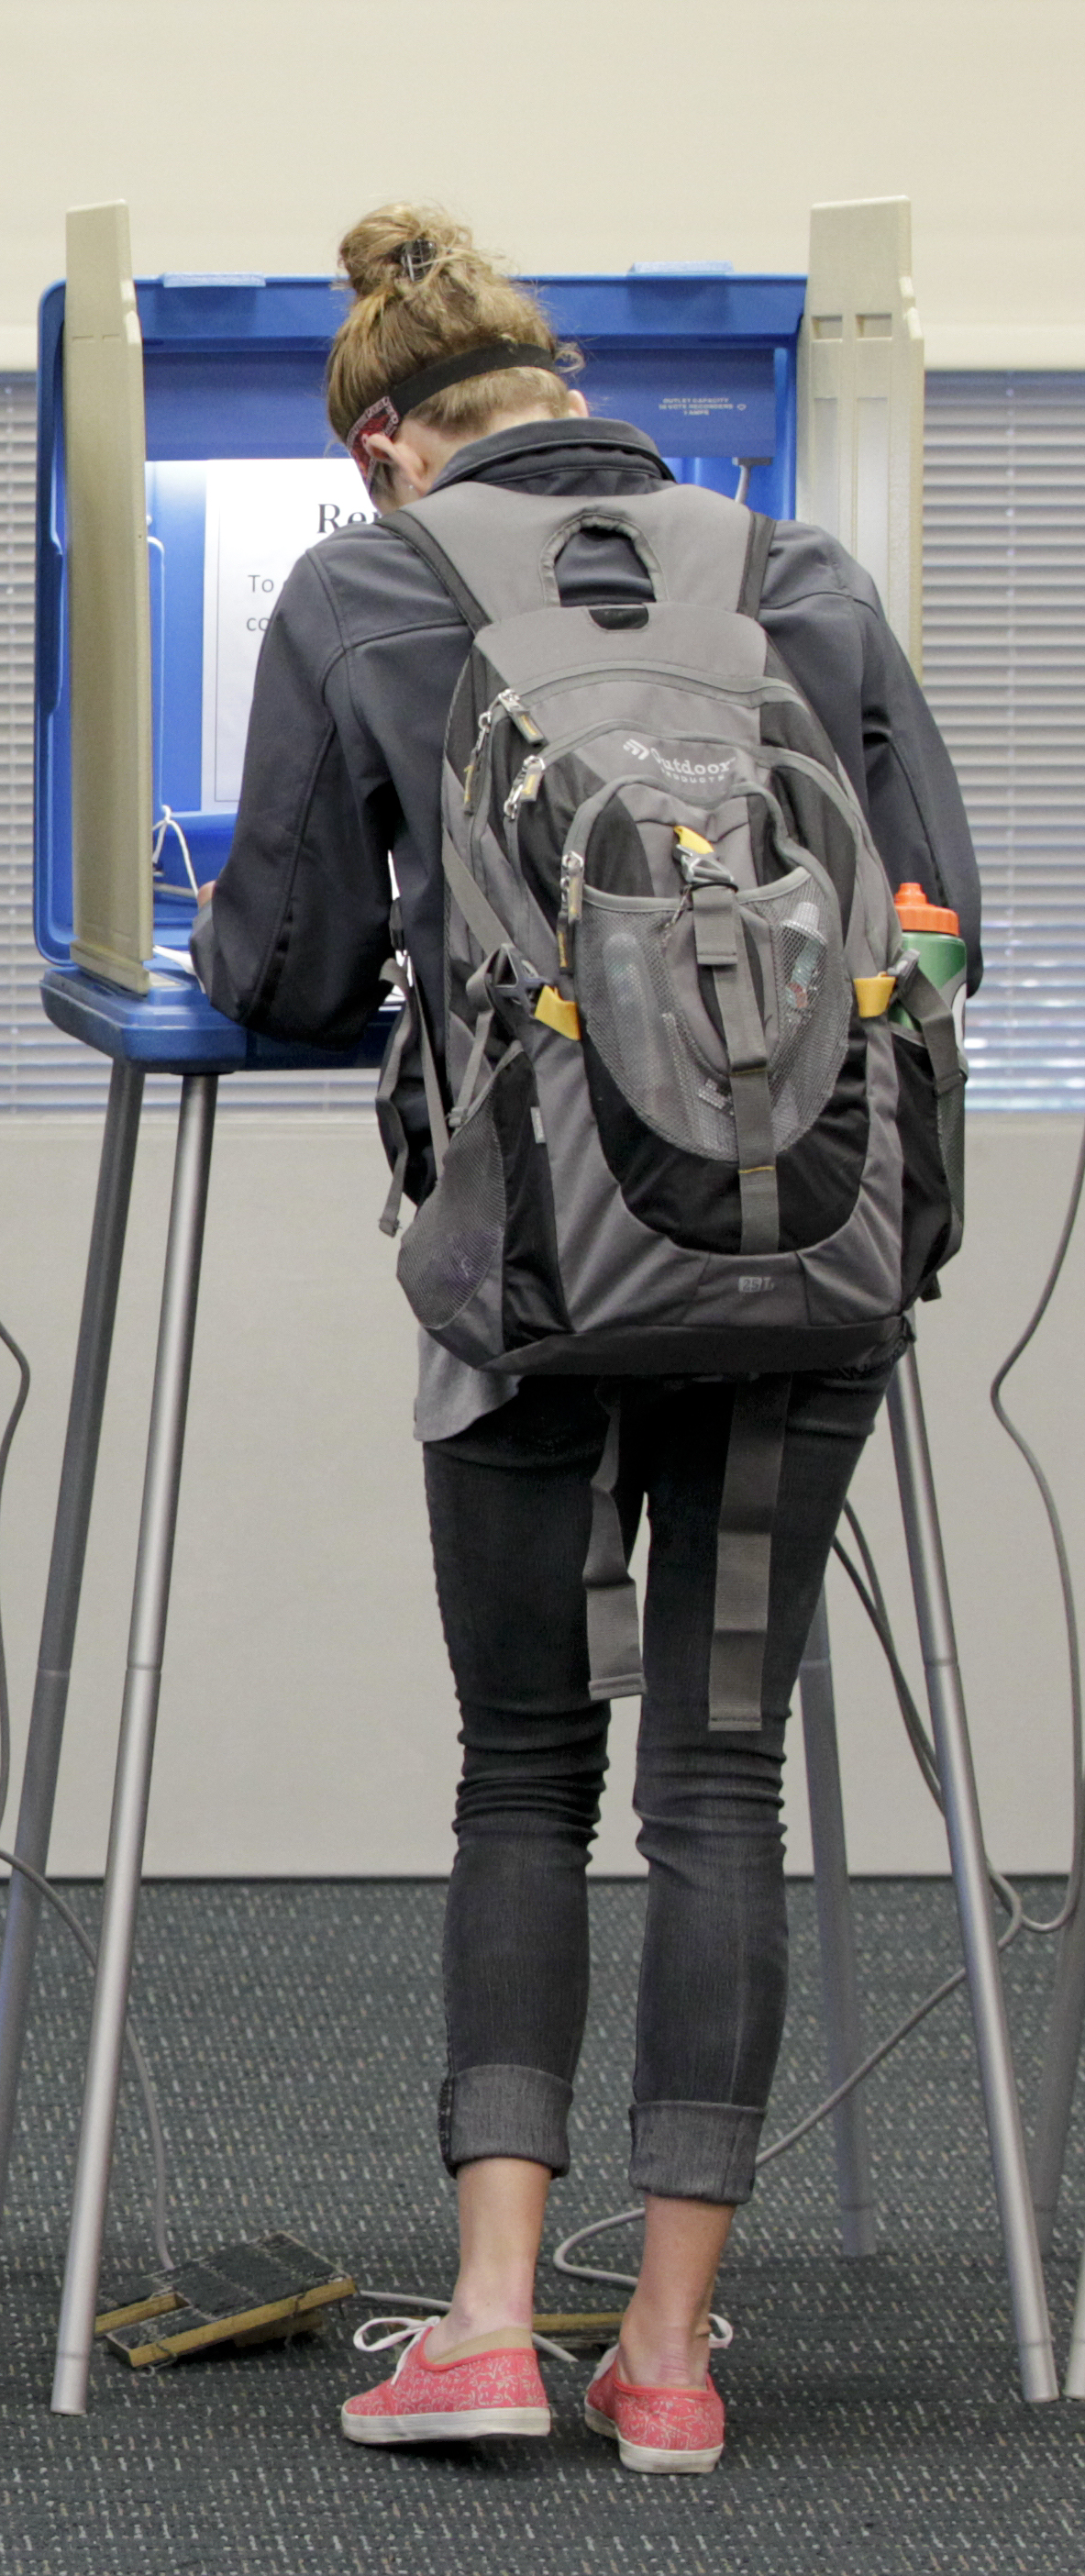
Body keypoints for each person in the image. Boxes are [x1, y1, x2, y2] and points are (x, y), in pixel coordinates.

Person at [194, 206, 980, 2476]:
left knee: (522, 1767)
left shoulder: (362, 586)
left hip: (535, 1281)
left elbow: (279, 963)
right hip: (800, 1273)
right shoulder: (797, 569)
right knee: (716, 1778)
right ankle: (660, 2358)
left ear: (382, 441)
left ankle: (469, 2322)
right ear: (570, 392)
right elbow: (934, 924)